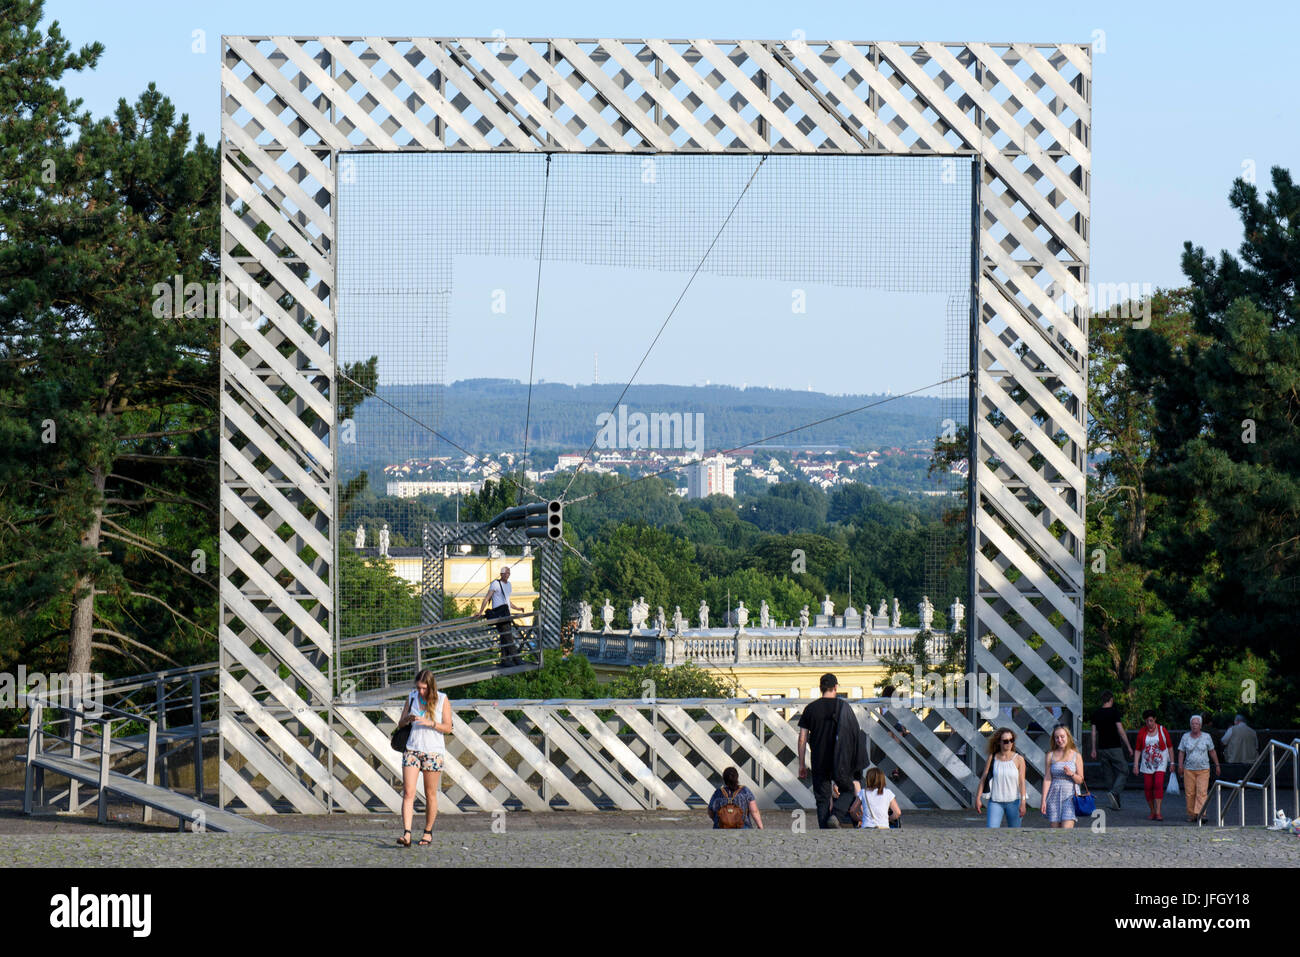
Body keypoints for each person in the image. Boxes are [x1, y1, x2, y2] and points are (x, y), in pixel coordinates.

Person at [797, 673, 866, 828]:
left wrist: (801, 764)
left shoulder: (810, 709)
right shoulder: (844, 707)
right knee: (848, 789)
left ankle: (824, 830)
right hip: (841, 759)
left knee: (822, 797)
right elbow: (854, 734)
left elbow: (802, 738)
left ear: (820, 688)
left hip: (819, 759)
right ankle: (836, 815)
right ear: (835, 687)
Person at [396, 669, 453, 847]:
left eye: (424, 688)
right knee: (408, 792)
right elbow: (400, 723)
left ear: (431, 687)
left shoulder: (442, 699)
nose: (420, 691)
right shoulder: (412, 697)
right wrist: (408, 719)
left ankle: (427, 832)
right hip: (412, 749)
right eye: (418, 687)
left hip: (433, 752)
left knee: (430, 794)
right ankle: (407, 833)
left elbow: (448, 727)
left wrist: (431, 723)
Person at [976, 727, 1028, 828]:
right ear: (999, 742)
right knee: (991, 829)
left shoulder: (1019, 759)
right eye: (1005, 741)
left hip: (1014, 802)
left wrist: (1023, 802)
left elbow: (1022, 782)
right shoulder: (992, 757)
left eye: (1011, 740)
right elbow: (984, 778)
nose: (1009, 743)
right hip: (995, 801)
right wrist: (978, 798)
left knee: (1015, 833)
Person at [1090, 690, 1133, 809]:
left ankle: (1115, 804)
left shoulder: (1096, 713)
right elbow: (1121, 731)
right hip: (1114, 747)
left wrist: (1093, 749)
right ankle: (1114, 793)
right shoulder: (1114, 712)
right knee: (1124, 770)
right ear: (1111, 700)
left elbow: (1093, 733)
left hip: (1102, 748)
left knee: (1108, 775)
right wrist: (1129, 746)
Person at [1177, 715, 1221, 823]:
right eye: (1192, 723)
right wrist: (1180, 765)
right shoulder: (1185, 737)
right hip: (1189, 769)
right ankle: (1192, 815)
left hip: (1203, 769)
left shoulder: (1207, 737)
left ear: (1200, 726)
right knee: (1189, 792)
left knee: (1202, 792)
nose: (1194, 726)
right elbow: (1181, 752)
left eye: (1196, 724)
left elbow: (1212, 751)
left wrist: (1217, 765)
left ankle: (1201, 814)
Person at [479, 566, 525, 666]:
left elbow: (508, 600)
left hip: (506, 613)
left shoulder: (509, 585)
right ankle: (516, 659)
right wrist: (480, 611)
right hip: (499, 614)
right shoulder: (495, 584)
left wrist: (517, 608)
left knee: (505, 637)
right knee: (508, 636)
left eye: (509, 573)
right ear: (501, 574)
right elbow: (487, 598)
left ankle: (505, 660)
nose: (508, 575)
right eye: (506, 573)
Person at [1041, 724, 1084, 828]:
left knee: (1066, 830)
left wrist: (1072, 774)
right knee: (1055, 830)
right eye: (1057, 737)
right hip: (1053, 796)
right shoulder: (1050, 755)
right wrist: (1043, 800)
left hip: (1070, 796)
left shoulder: (1076, 756)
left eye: (1062, 736)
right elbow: (1047, 778)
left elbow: (1080, 780)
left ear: (1068, 737)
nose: (1059, 740)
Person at [1133, 709, 1173, 821]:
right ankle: (1152, 811)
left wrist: (1172, 762)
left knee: (1158, 784)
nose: (1149, 723)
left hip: (1161, 762)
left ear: (1155, 719)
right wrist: (1135, 764)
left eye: (1151, 720)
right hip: (1147, 763)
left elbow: (1170, 746)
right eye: (1147, 721)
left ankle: (1158, 811)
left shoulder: (1162, 730)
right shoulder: (1142, 732)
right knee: (1148, 787)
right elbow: (1137, 749)